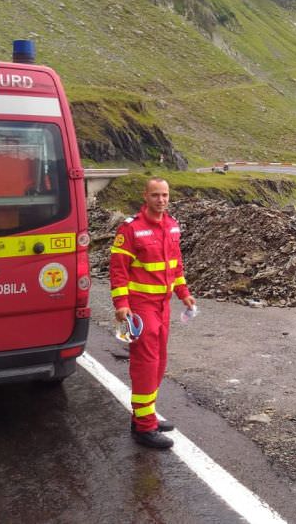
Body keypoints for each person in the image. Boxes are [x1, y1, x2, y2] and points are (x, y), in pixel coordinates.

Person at [109, 177, 196, 449]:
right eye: (156, 195)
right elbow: (118, 269)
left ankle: (146, 415)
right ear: (145, 196)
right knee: (145, 363)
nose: (161, 200)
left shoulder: (172, 226)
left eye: (165, 195)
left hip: (163, 305)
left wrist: (184, 294)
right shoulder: (131, 229)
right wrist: (121, 304)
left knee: (159, 361)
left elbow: (176, 266)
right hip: (140, 307)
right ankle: (144, 428)